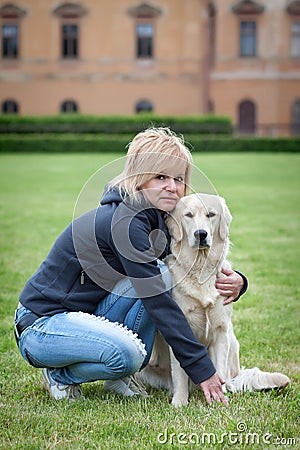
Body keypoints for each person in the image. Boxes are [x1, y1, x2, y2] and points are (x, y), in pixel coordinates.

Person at [14, 127, 247, 405]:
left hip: (87, 315)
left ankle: (116, 377)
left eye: (179, 178)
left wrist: (239, 281)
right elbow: (158, 301)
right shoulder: (126, 222)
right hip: (42, 324)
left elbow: (186, 266)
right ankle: (61, 374)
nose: (172, 187)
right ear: (138, 179)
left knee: (161, 274)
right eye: (160, 177)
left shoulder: (160, 219)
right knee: (129, 355)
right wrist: (203, 369)